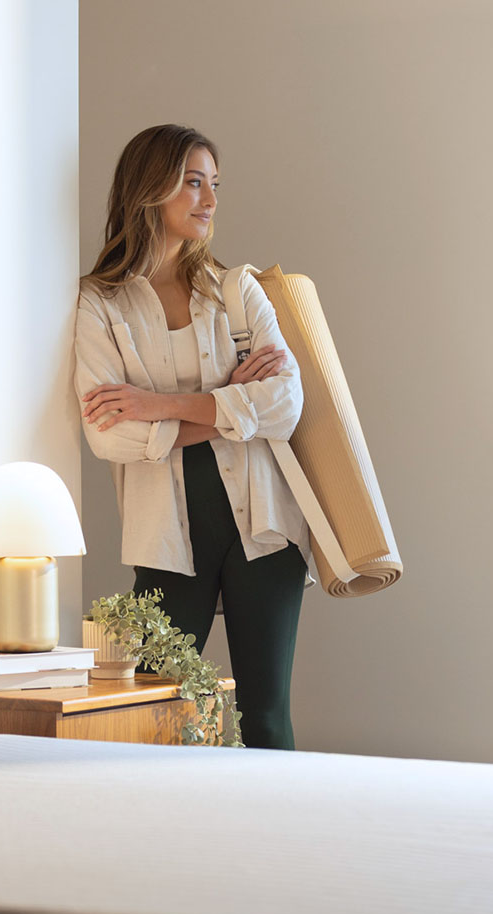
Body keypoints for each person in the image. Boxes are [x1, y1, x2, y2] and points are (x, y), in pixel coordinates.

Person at [74, 124, 312, 749]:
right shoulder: (101, 305)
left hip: (264, 531)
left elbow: (284, 405)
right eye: (192, 182)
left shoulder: (237, 290)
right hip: (166, 539)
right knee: (157, 718)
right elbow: (110, 437)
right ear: (149, 190)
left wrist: (157, 405)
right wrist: (230, 406)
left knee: (265, 719)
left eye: (214, 184)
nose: (208, 199)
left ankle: (275, 845)